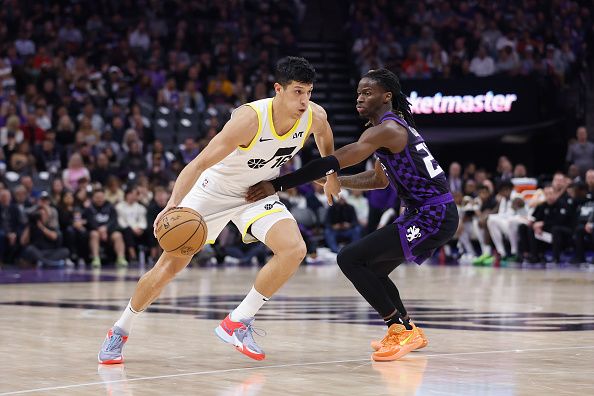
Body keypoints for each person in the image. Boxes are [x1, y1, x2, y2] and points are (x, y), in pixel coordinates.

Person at [98, 57, 339, 364]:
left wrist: (331, 175)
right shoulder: (249, 119)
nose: (304, 100)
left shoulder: (314, 115)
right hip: (213, 190)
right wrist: (173, 205)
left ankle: (237, 322)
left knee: (294, 249)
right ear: (278, 89)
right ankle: (120, 329)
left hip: (257, 192)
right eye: (297, 92)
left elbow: (325, 137)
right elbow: (198, 163)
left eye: (308, 92)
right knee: (168, 269)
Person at [246, 68, 458, 361]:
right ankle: (408, 329)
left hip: (432, 215)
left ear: (387, 97)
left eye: (367, 93)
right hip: (424, 213)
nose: (359, 98)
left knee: (349, 258)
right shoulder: (390, 130)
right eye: (358, 92)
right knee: (374, 269)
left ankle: (398, 329)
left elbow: (334, 160)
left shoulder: (387, 130)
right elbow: (378, 180)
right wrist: (338, 181)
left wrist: (277, 184)